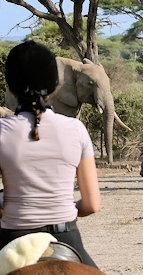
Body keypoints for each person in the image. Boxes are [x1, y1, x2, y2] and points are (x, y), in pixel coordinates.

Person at [0, 40, 101, 267]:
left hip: (11, 238)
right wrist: (59, 208)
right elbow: (92, 204)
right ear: (55, 84)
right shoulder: (76, 129)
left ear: (11, 86)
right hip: (66, 237)